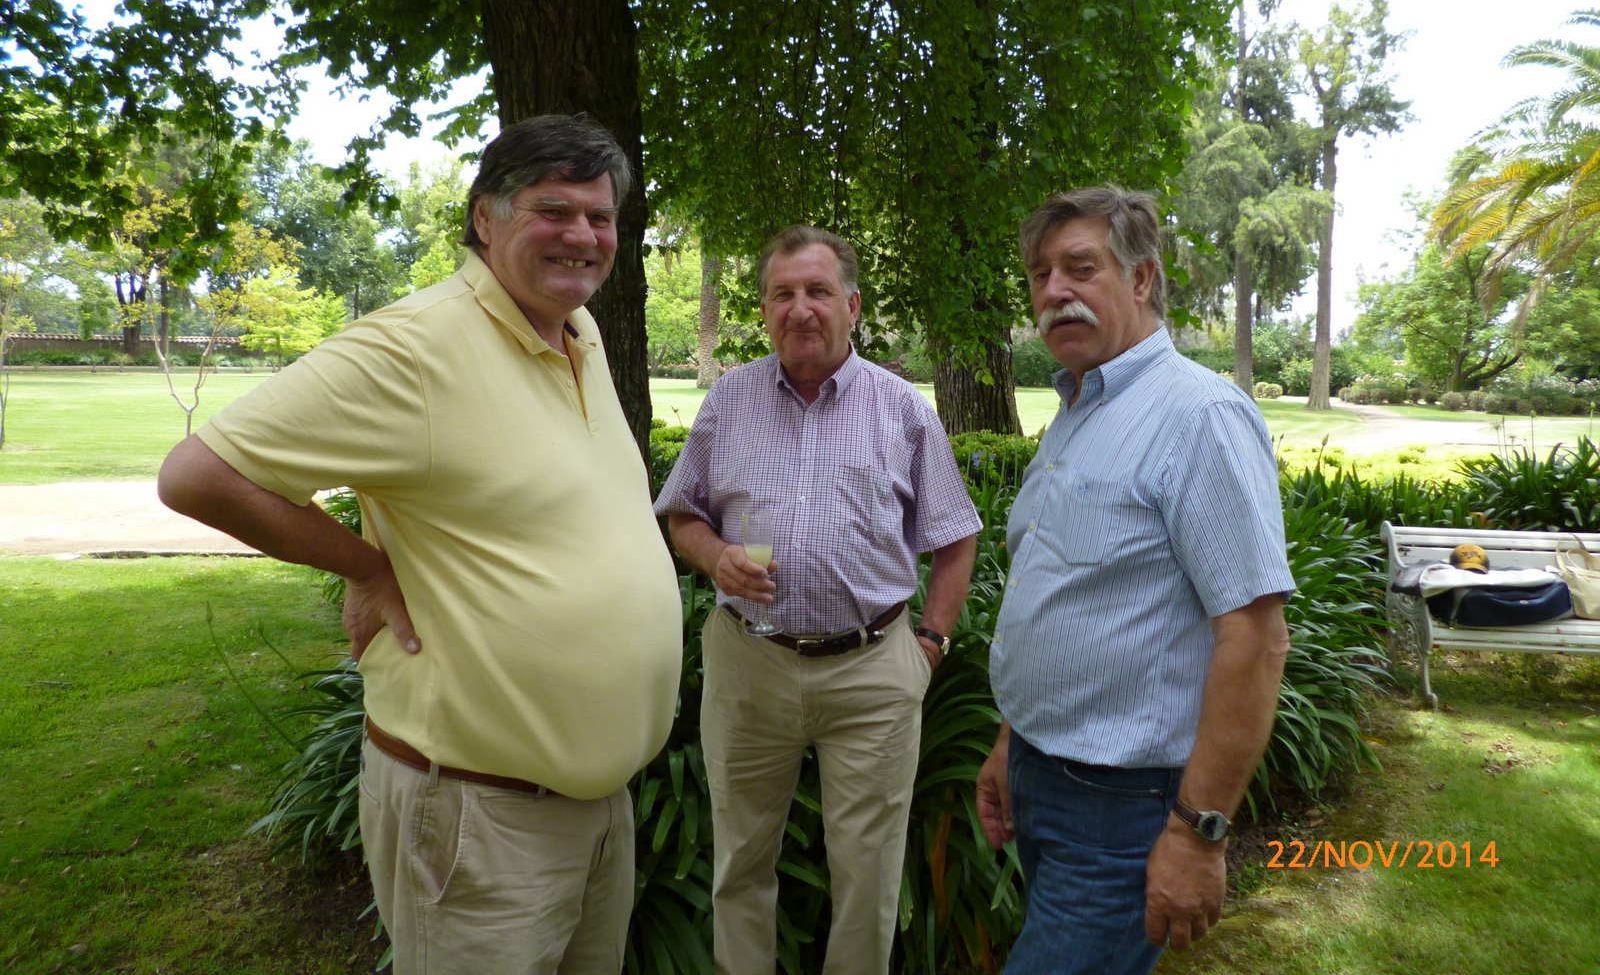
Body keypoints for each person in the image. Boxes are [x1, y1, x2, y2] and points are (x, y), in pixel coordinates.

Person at [157, 115, 682, 975]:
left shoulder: (578, 332)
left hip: (597, 812)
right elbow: (199, 475)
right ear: (486, 218)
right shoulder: (414, 346)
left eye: (601, 216)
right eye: (554, 211)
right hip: (480, 818)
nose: (584, 236)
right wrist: (365, 566)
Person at [976, 186, 1293, 975]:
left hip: (1123, 811)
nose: (1055, 291)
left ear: (1143, 277)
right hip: (1044, 778)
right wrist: (1012, 743)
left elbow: (1254, 640)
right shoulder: (1080, 407)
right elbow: (1064, 597)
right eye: (1040, 275)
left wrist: (1197, 832)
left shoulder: (1199, 417)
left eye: (1080, 267)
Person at [655, 225, 979, 975]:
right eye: (783, 293)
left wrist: (929, 645)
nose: (800, 308)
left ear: (852, 306)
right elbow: (681, 514)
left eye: (818, 291)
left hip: (872, 671)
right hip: (750, 662)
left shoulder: (902, 409)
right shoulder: (729, 399)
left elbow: (956, 537)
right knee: (739, 862)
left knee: (868, 876)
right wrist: (717, 558)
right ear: (766, 309)